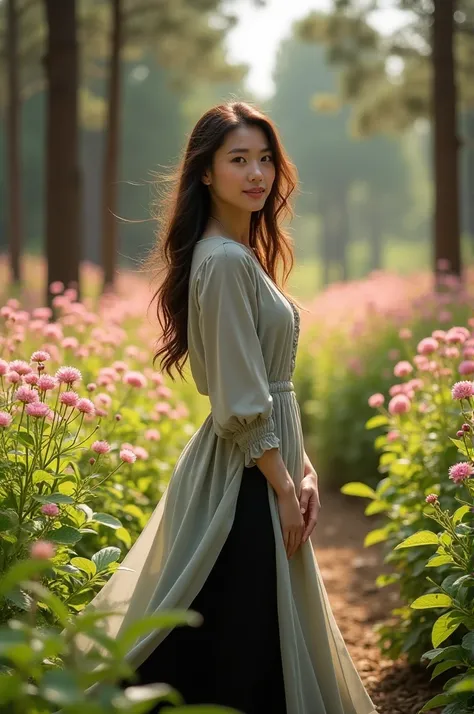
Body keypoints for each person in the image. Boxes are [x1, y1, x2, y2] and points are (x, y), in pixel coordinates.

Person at [76, 101, 378, 714]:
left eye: (265, 159)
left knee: (242, 630)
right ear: (206, 172)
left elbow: (271, 385)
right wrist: (283, 487)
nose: (257, 173)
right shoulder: (223, 262)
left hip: (265, 464)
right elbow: (241, 397)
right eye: (238, 159)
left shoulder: (241, 257)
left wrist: (306, 469)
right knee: (233, 637)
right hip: (244, 475)